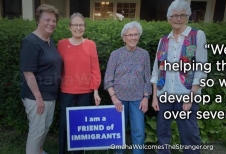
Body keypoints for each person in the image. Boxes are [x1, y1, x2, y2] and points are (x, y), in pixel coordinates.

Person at [150, 0, 208, 154]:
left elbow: (201, 70)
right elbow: (156, 70)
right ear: (169, 19)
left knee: (189, 134)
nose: (178, 18)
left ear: (188, 16)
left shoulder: (197, 36)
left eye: (182, 15)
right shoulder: (163, 40)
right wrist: (155, 97)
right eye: (174, 15)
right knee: (162, 134)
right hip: (164, 94)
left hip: (186, 93)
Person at [104, 21, 151, 154]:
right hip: (119, 100)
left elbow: (148, 78)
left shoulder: (144, 54)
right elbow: (108, 79)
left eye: (136, 34)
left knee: (139, 132)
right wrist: (114, 98)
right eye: (130, 35)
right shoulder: (116, 54)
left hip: (138, 100)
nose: (133, 37)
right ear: (124, 37)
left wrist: (146, 97)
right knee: (118, 133)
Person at [57, 12, 101, 154]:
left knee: (82, 125)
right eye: (75, 25)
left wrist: (95, 90)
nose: (78, 28)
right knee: (65, 124)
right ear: (70, 27)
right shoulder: (62, 44)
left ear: (85, 27)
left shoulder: (90, 44)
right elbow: (57, 68)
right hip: (67, 91)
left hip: (85, 91)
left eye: (81, 25)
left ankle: (78, 152)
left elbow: (95, 69)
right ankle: (62, 151)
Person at [20, 4, 61, 154]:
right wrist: (38, 98)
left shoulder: (49, 41)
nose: (51, 23)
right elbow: (28, 72)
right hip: (36, 96)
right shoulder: (31, 41)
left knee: (44, 128)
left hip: (50, 95)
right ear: (38, 20)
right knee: (36, 131)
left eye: (54, 20)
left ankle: (40, 151)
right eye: (47, 20)